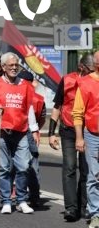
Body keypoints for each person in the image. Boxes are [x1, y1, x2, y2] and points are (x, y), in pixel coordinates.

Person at [0, 52, 38, 215]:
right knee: (4, 168)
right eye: (11, 65)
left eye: (16, 65)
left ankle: (21, 200)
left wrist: (34, 129)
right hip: (1, 132)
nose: (14, 68)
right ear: (3, 67)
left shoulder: (26, 86)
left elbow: (29, 108)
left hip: (21, 132)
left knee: (23, 166)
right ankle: (7, 200)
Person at [50, 53, 91, 222]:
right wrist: (52, 133)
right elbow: (57, 106)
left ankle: (83, 206)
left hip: (87, 131)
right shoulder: (66, 80)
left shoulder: (94, 82)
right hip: (68, 130)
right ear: (81, 67)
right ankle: (71, 209)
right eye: (91, 69)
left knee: (86, 170)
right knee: (69, 167)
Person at [74, 51, 99, 227]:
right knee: (94, 176)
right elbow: (78, 113)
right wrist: (79, 138)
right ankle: (95, 213)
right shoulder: (85, 83)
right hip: (93, 135)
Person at [18, 69, 45, 207]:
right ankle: (35, 197)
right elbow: (42, 118)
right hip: (33, 132)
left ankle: (16, 195)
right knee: (33, 164)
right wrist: (36, 130)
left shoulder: (17, 93)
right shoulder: (39, 98)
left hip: (19, 130)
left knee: (16, 164)